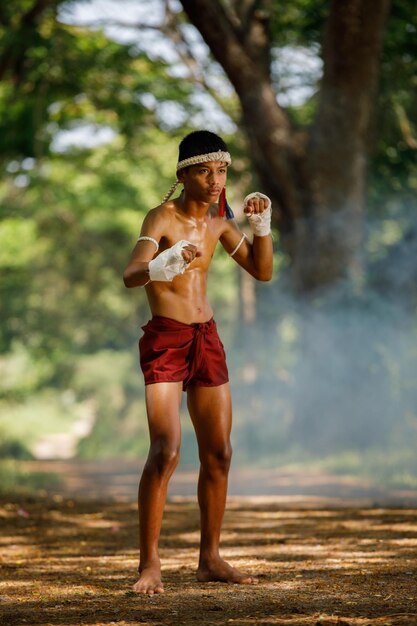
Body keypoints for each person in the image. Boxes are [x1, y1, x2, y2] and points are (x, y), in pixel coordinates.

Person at [123, 130, 273, 594]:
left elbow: (262, 271)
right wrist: (161, 264)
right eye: (205, 170)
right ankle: (150, 564)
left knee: (220, 453)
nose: (215, 180)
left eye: (222, 170)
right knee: (166, 451)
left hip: (206, 338)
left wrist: (261, 227)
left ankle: (210, 558)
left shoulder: (219, 224)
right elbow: (130, 275)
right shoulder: (161, 217)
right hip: (167, 339)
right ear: (184, 174)